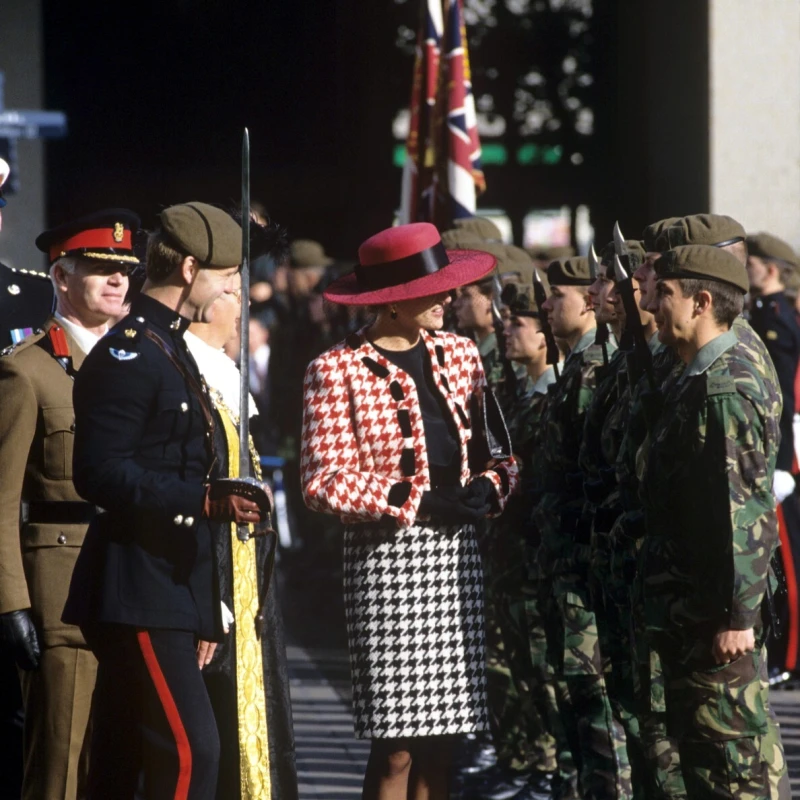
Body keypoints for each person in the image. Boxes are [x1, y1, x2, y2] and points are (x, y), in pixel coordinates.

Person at [300, 222, 518, 800]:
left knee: (445, 741)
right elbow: (321, 482)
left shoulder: (463, 354)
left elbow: (501, 452)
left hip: (456, 561)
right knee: (394, 743)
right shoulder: (335, 369)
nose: (449, 297)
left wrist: (492, 487)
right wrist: (412, 499)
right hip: (386, 563)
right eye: (436, 288)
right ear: (393, 302)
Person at [62, 202, 264, 800]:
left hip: (169, 585)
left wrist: (203, 603)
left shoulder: (168, 347)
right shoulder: (133, 351)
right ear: (191, 268)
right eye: (227, 278)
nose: (234, 290)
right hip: (138, 586)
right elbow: (99, 472)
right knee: (188, 753)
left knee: (123, 762)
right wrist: (202, 499)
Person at [641, 244, 788, 798]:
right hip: (692, 606)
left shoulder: (724, 387)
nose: (654, 304)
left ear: (702, 302)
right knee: (704, 760)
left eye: (666, 295)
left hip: (717, 618)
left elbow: (742, 512)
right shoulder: (694, 375)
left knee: (737, 767)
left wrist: (737, 615)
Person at [0, 209, 137, 800]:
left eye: (125, 271)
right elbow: (2, 499)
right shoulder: (28, 373)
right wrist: (11, 604)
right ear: (60, 276)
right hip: (61, 591)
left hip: (136, 588)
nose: (117, 282)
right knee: (58, 767)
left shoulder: (142, 365)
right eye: (100, 269)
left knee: (119, 769)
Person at [185, 275, 298, 799]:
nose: (243, 303)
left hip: (247, 579)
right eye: (232, 291)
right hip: (209, 582)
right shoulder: (187, 372)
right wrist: (209, 597)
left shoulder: (225, 373)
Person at [531, 256, 628, 799]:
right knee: (573, 692)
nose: (547, 305)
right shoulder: (579, 367)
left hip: (588, 563)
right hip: (567, 557)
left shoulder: (594, 368)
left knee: (595, 697)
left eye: (556, 295)